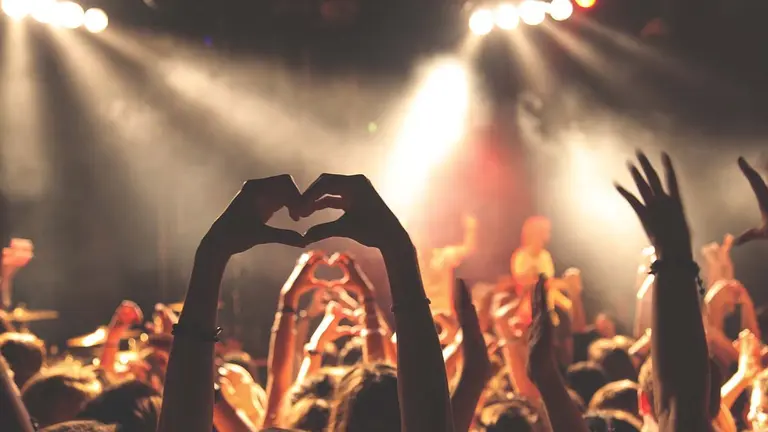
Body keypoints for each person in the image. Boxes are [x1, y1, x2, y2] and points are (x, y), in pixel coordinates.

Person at [418, 214, 477, 314]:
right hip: (424, 315)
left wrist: (471, 228)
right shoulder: (414, 262)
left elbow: (468, 248)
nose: (421, 240)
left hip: (446, 314)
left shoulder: (444, 255)